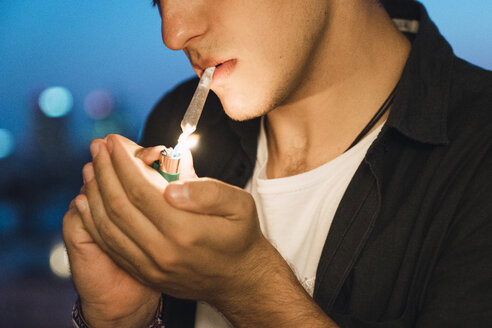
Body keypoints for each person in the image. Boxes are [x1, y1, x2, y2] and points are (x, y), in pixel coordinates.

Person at [63, 0, 492, 327]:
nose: (173, 34)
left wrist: (249, 288)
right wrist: (122, 318)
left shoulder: (478, 154)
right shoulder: (172, 119)